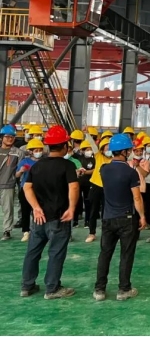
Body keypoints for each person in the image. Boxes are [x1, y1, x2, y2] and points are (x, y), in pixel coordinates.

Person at [20, 125, 79, 299]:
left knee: (32, 252)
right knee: (56, 253)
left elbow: (27, 187)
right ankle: (52, 288)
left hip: (39, 218)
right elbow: (74, 187)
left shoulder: (37, 166)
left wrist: (36, 208)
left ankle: (27, 286)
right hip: (59, 218)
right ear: (64, 146)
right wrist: (71, 208)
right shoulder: (67, 165)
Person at [93, 134, 146, 301]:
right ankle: (124, 289)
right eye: (129, 150)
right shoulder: (131, 173)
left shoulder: (104, 169)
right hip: (126, 218)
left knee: (105, 254)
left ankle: (99, 289)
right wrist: (142, 216)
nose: (130, 152)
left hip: (108, 217)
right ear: (124, 152)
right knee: (126, 254)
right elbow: (137, 197)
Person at [16, 139, 44, 242]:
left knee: (39, 210)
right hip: (26, 189)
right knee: (25, 211)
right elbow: (17, 175)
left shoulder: (45, 162)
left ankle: (39, 231)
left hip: (40, 190)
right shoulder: (25, 162)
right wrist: (21, 171)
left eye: (40, 150)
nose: (38, 152)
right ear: (30, 151)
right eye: (36, 150)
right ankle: (26, 231)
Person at [0, 124, 24, 240]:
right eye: (7, 136)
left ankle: (7, 230)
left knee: (8, 209)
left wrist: (16, 176)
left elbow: (19, 170)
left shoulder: (18, 153)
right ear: (2, 137)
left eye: (12, 137)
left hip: (8, 185)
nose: (10, 139)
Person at [73, 140, 95, 229]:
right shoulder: (78, 159)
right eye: (87, 150)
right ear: (82, 151)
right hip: (79, 183)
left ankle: (87, 221)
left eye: (90, 149)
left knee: (88, 202)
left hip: (89, 183)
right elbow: (76, 169)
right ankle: (75, 220)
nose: (89, 151)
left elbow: (95, 170)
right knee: (76, 201)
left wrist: (85, 172)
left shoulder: (94, 159)